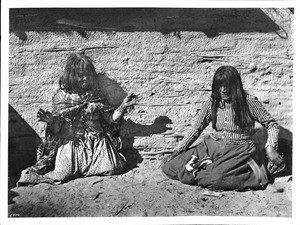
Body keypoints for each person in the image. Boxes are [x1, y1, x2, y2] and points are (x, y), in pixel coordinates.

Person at [17, 53, 137, 185]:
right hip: (72, 145)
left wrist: (123, 106)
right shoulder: (62, 97)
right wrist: (51, 121)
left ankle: (91, 166)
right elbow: (57, 130)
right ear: (72, 75)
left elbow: (110, 119)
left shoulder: (96, 95)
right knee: (62, 175)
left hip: (97, 144)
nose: (85, 78)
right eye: (80, 75)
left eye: (88, 74)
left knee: (114, 167)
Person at [162, 66, 285, 191]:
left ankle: (257, 171)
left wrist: (270, 148)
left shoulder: (248, 101)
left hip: (239, 151)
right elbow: (197, 127)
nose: (223, 90)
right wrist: (178, 150)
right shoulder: (213, 101)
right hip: (212, 146)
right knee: (170, 166)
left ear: (235, 85)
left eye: (227, 85)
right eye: (219, 86)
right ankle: (207, 168)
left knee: (216, 179)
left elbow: (271, 124)